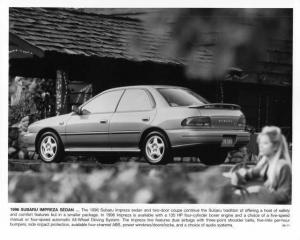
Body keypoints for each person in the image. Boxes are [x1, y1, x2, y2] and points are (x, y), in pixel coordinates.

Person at [231, 126, 292, 204]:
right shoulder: (265, 164)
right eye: (260, 143)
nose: (261, 146)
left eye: (265, 143)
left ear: (275, 146)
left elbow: (285, 195)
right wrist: (239, 174)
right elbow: (251, 173)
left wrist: (260, 190)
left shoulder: (283, 166)